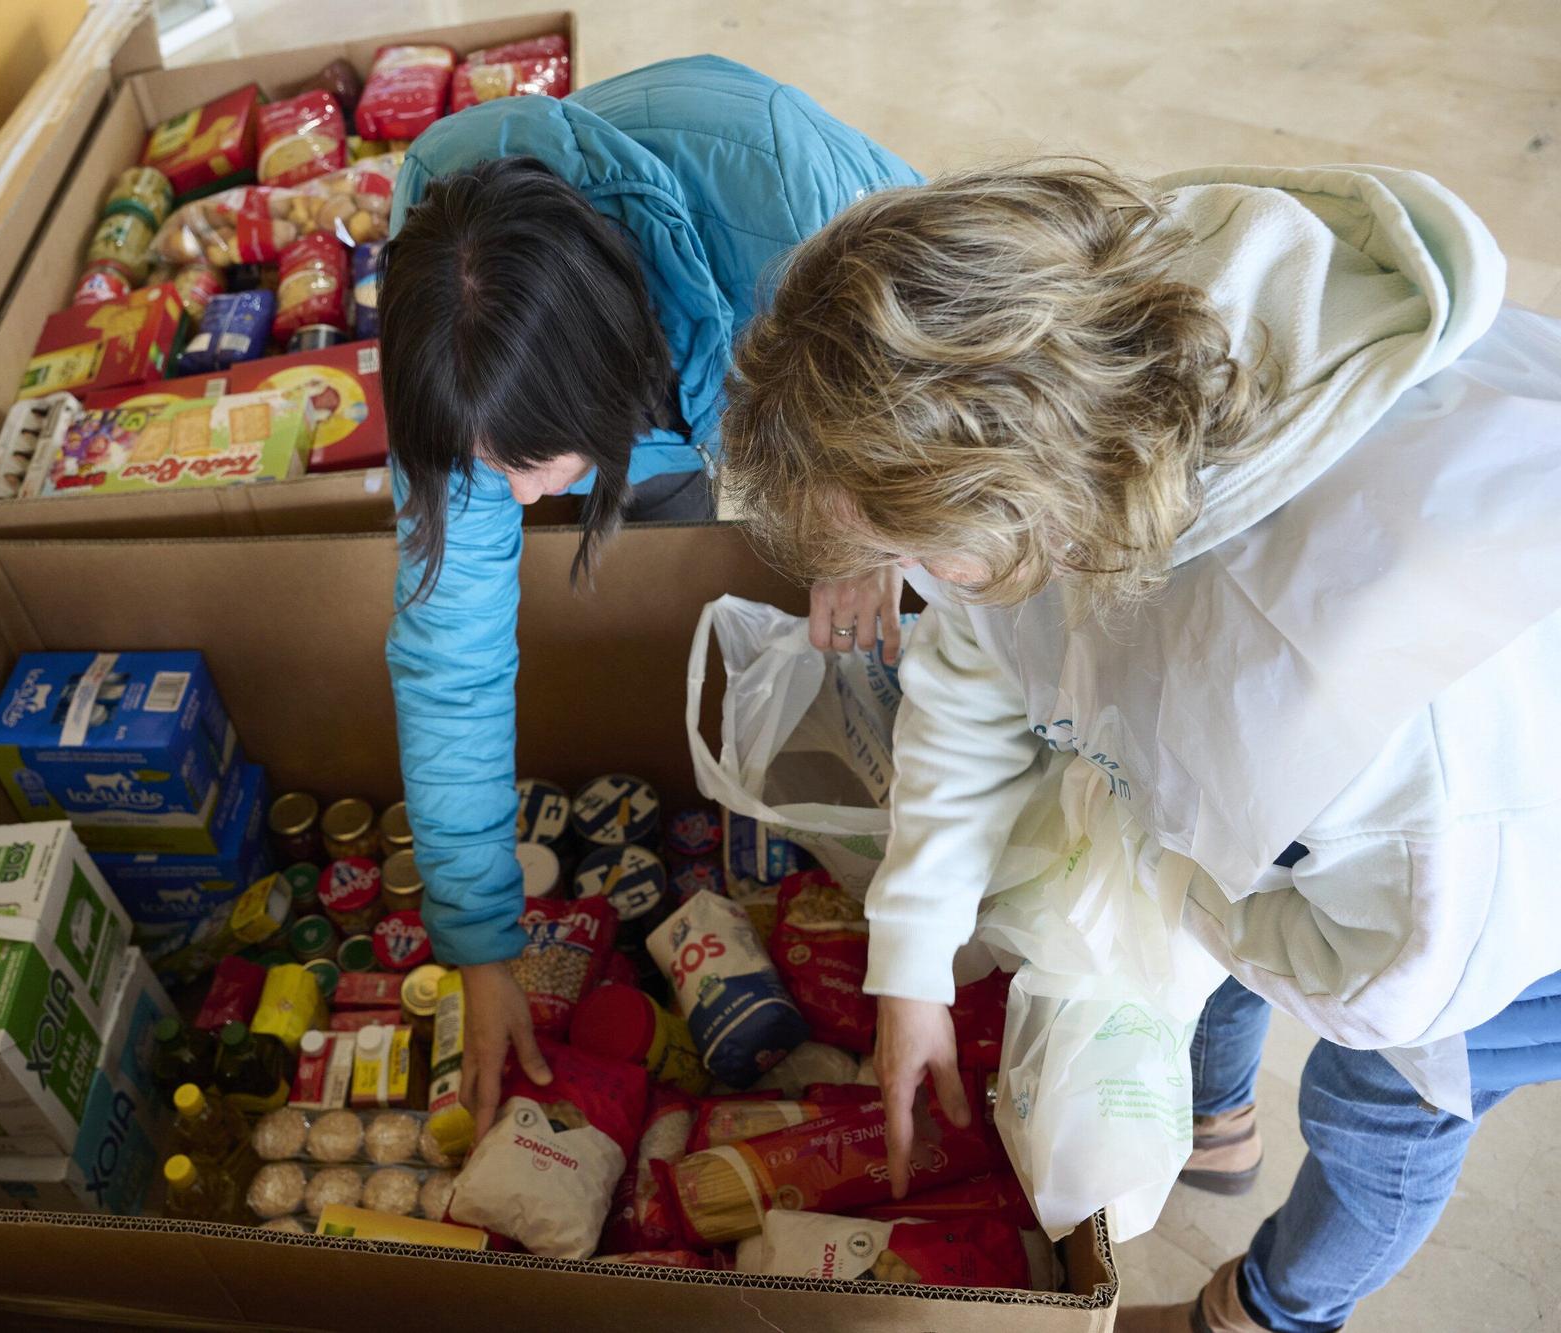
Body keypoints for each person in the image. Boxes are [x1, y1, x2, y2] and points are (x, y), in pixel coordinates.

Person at [722, 160, 1561, 1333]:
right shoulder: (1082, 364)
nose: (908, 585)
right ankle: (1214, 1121)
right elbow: (975, 666)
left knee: (1380, 1113)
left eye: (920, 554)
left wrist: (1170, 858)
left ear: (1022, 510)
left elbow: (1387, 985)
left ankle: (1265, 1311)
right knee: (1206, 940)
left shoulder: (1360, 689)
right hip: (1347, 835)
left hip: (1497, 902)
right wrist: (910, 956)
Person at [378, 56, 918, 1138]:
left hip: (858, 354)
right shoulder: (447, 320)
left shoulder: (805, 214)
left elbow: (952, 414)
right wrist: (478, 942)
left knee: (896, 596)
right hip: (651, 372)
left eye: (536, 465)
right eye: (493, 470)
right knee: (668, 544)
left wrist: (871, 532)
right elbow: (451, 646)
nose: (524, 502)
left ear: (612, 378)